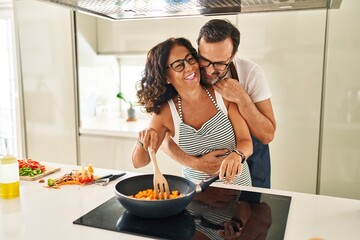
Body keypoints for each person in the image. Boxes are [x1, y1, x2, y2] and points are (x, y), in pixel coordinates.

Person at [162, 19, 276, 188]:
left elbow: (267, 135)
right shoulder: (187, 73)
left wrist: (242, 98)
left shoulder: (250, 73)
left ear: (232, 56)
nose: (208, 70)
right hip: (198, 177)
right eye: (204, 60)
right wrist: (196, 164)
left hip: (253, 161)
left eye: (220, 64)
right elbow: (163, 137)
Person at [132, 37, 253, 186]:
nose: (189, 68)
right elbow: (139, 162)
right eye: (179, 65)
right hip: (194, 192)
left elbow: (246, 142)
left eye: (190, 60)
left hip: (238, 188)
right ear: (166, 77)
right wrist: (142, 140)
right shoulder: (165, 113)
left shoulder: (222, 94)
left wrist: (237, 155)